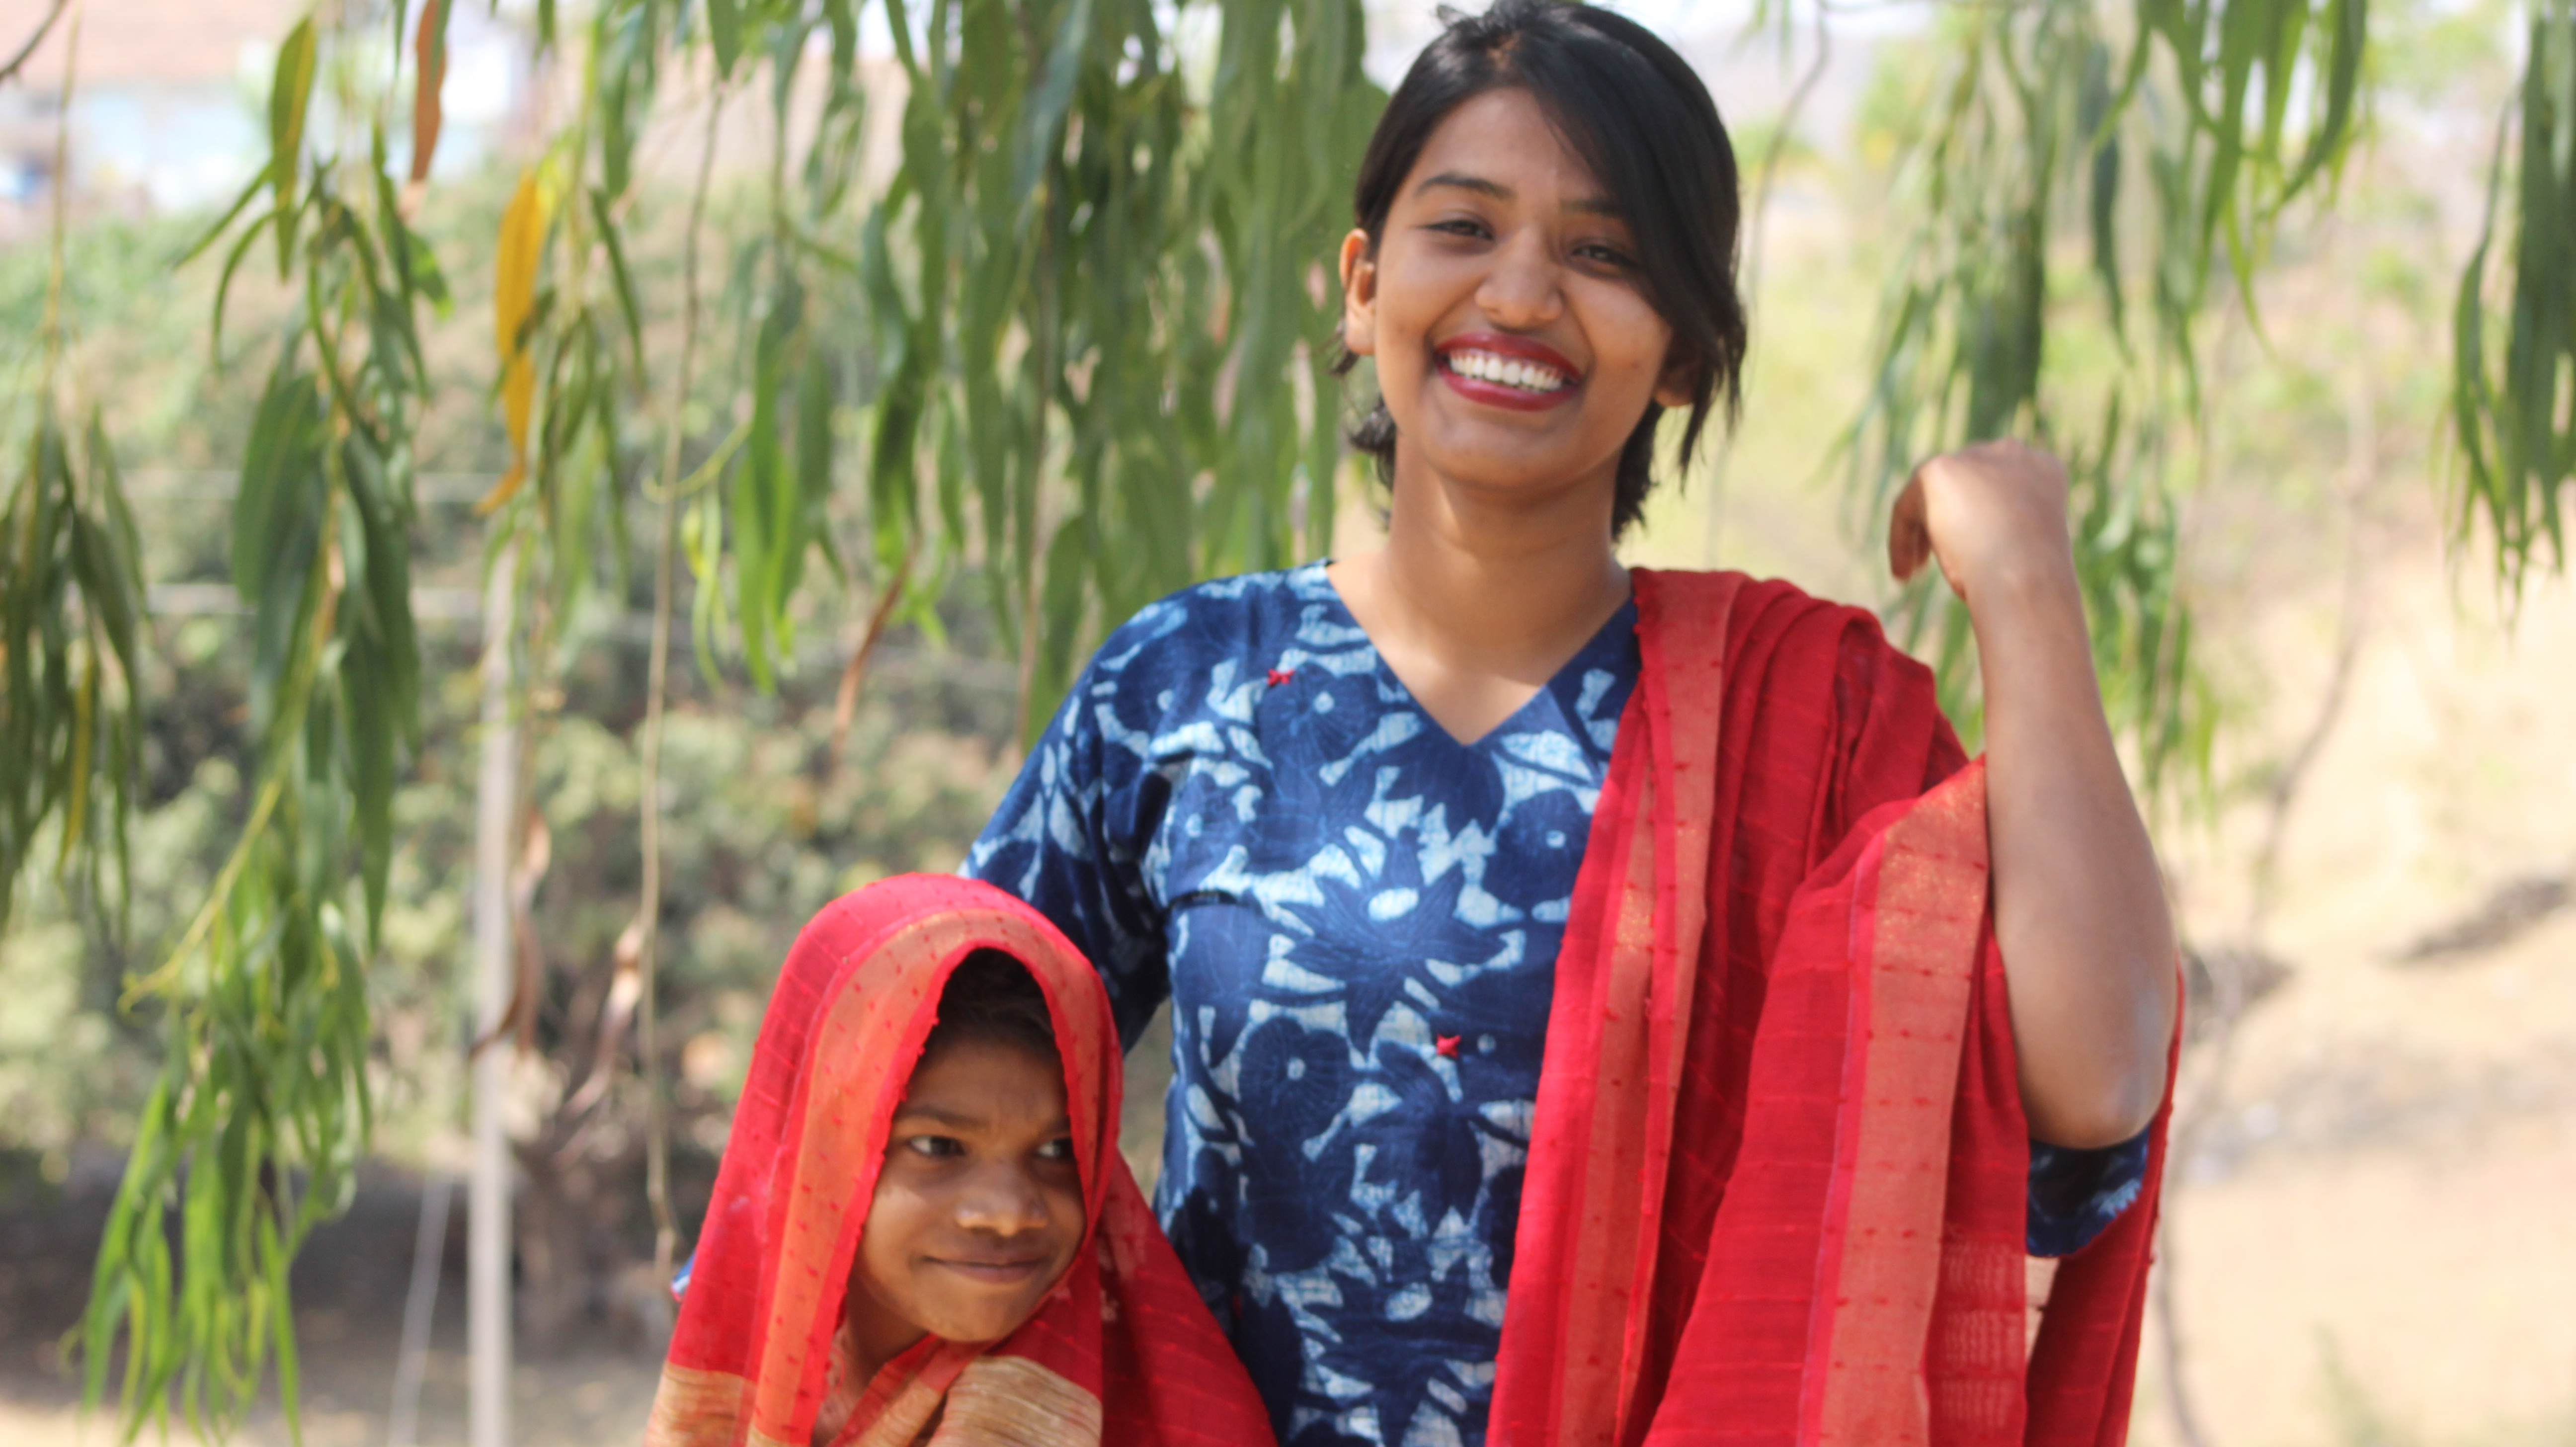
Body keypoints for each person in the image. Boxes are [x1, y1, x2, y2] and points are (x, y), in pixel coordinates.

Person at [965, 3, 2179, 1444]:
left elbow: (2092, 1090)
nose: (1522, 294)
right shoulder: (1195, 684)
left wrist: (2028, 586)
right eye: (1463, 228)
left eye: (1603, 254)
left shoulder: (1815, 721)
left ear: (1679, 350)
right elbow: (921, 1088)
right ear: (1363, 287)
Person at [643, 874, 1276, 1447]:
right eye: (939, 1147)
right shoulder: (755, 1395)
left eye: (1058, 1151)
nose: (1007, 1214)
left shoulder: (1177, 1422)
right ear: (824, 1158)